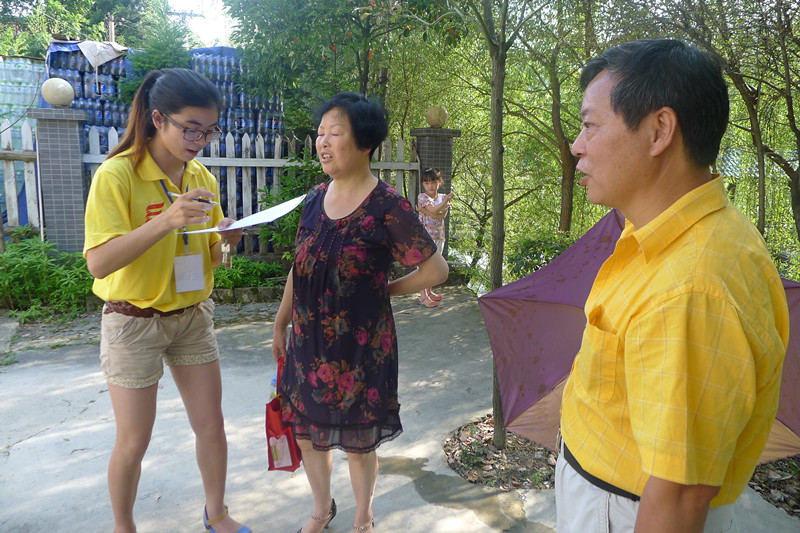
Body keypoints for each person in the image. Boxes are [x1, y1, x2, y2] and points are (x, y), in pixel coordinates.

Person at [557, 39, 789, 533]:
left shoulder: (692, 287)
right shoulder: (671, 231)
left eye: (590, 125)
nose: (576, 144)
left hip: (623, 513)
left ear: (659, 130)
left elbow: (681, 495)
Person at [271, 92, 449, 533]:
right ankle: (321, 509)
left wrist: (384, 290)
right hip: (308, 341)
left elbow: (435, 270)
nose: (323, 142)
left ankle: (364, 519)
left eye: (335, 133)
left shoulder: (387, 205)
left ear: (365, 143)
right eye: (320, 133)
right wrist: (281, 320)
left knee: (357, 442)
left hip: (362, 348)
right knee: (307, 434)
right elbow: (301, 264)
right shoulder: (314, 198)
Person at [83, 68, 250, 533]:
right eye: (191, 128)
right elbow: (99, 263)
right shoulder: (118, 175)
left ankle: (216, 514)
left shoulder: (200, 176)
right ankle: (124, 527)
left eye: (210, 130)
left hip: (192, 316)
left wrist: (228, 240)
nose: (201, 140)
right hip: (134, 321)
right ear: (158, 119)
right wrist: (166, 220)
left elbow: (209, 256)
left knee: (211, 425)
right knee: (134, 441)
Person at [416, 167, 454, 306]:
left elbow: (441, 216)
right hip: (425, 236)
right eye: (426, 183)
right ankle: (423, 296)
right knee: (424, 265)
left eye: (433, 182)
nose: (430, 186)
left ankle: (429, 291)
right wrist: (443, 203)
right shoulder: (423, 197)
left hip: (439, 235)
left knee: (435, 265)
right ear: (423, 184)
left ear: (439, 182)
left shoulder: (442, 197)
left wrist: (424, 211)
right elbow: (434, 210)